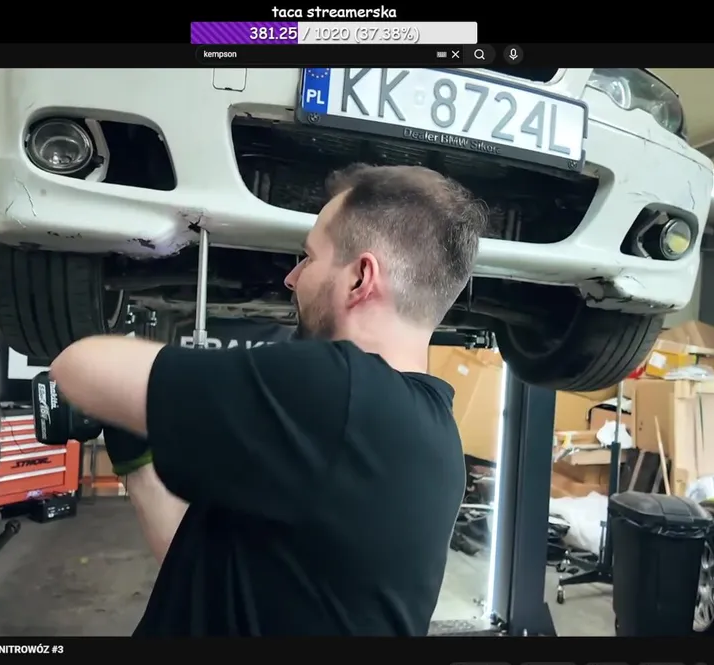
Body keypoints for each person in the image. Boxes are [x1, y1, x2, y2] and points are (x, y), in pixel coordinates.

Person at [49, 164, 487, 637]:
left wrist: (137, 386)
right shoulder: (436, 438)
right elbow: (212, 573)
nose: (292, 279)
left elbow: (77, 367)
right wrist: (138, 458)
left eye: (308, 257)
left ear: (360, 278)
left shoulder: (341, 391)